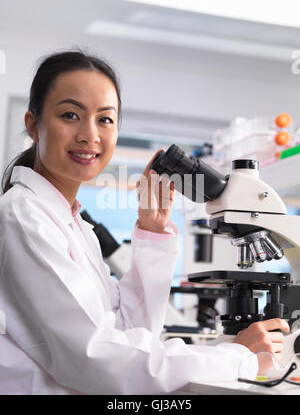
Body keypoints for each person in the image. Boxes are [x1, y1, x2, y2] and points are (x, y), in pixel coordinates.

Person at [0, 50, 289, 395]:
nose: (89, 135)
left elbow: (127, 332)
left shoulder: (70, 221)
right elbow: (98, 360)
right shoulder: (24, 216)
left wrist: (151, 231)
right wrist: (236, 356)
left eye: (105, 119)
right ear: (33, 124)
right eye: (70, 115)